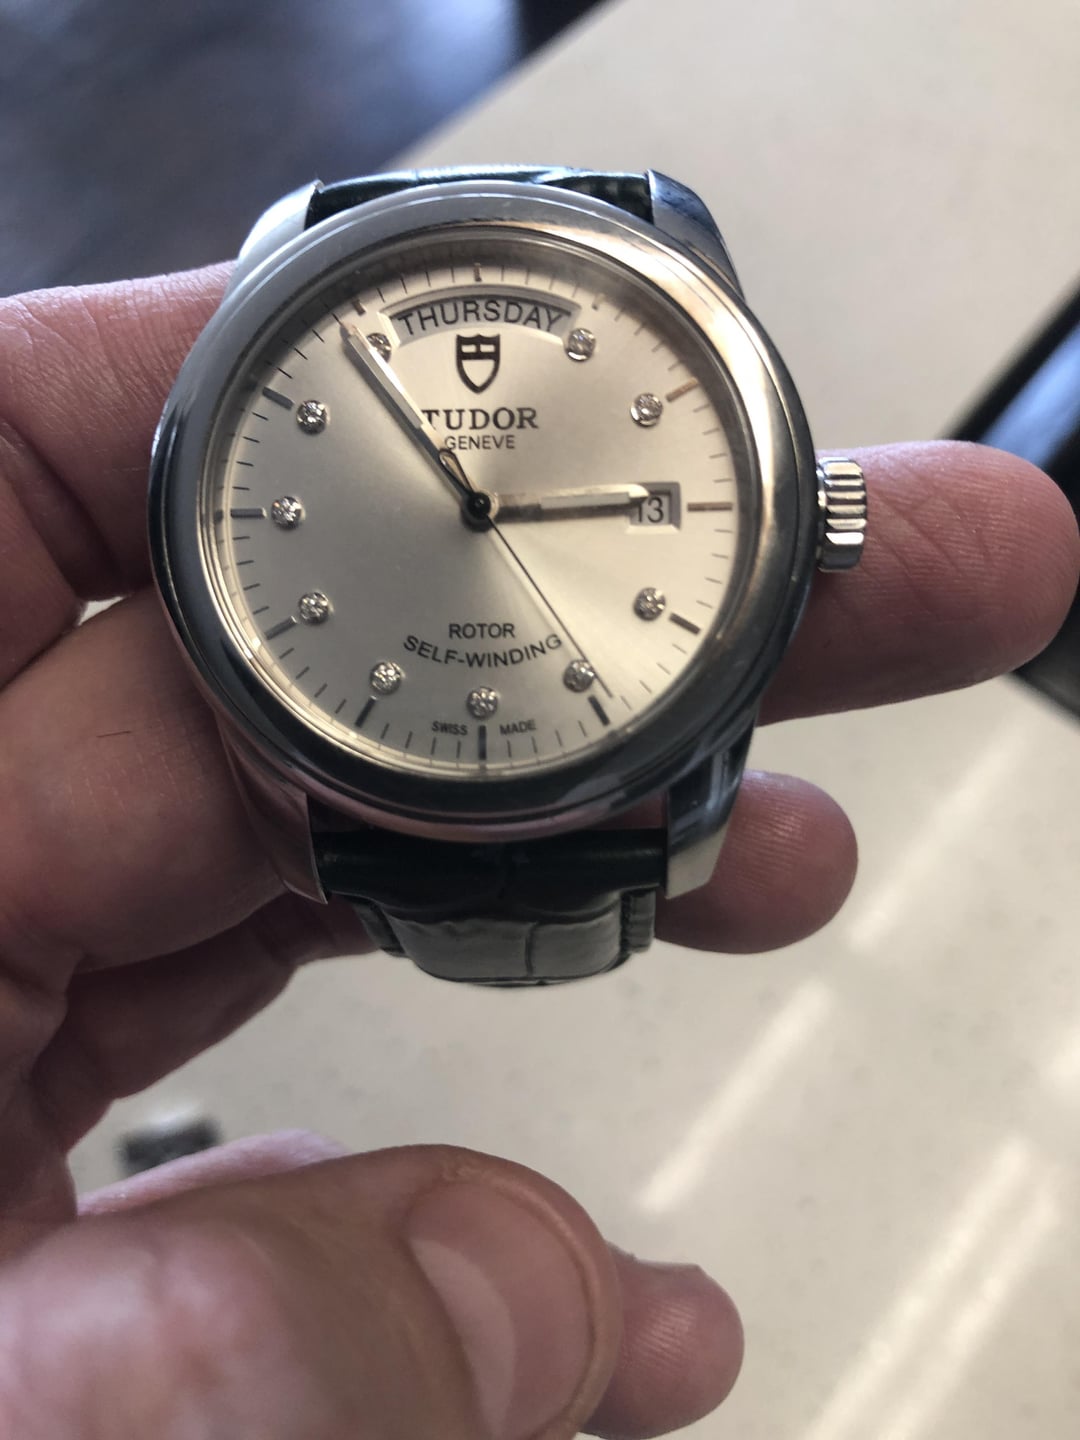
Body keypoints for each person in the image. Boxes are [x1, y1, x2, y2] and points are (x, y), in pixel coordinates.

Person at [0, 265, 1075, 1440]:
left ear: (816, 519)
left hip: (539, 745)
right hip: (340, 763)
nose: (485, 507)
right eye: (475, 501)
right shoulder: (281, 785)